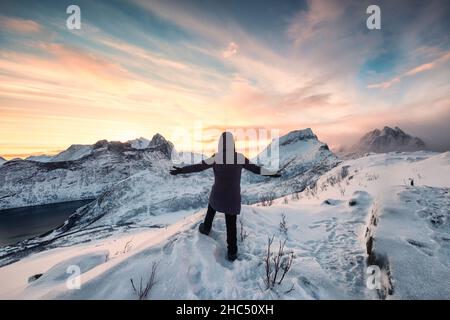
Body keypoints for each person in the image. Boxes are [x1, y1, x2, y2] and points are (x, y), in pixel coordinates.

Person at [170, 131, 281, 261]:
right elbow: (256, 169)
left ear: (220, 144)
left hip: (217, 194)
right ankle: (232, 252)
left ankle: (206, 228)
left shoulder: (216, 157)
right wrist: (271, 173)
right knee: (231, 224)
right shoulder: (239, 157)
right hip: (232, 198)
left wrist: (181, 171)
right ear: (232, 143)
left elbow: (198, 167)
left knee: (211, 207)